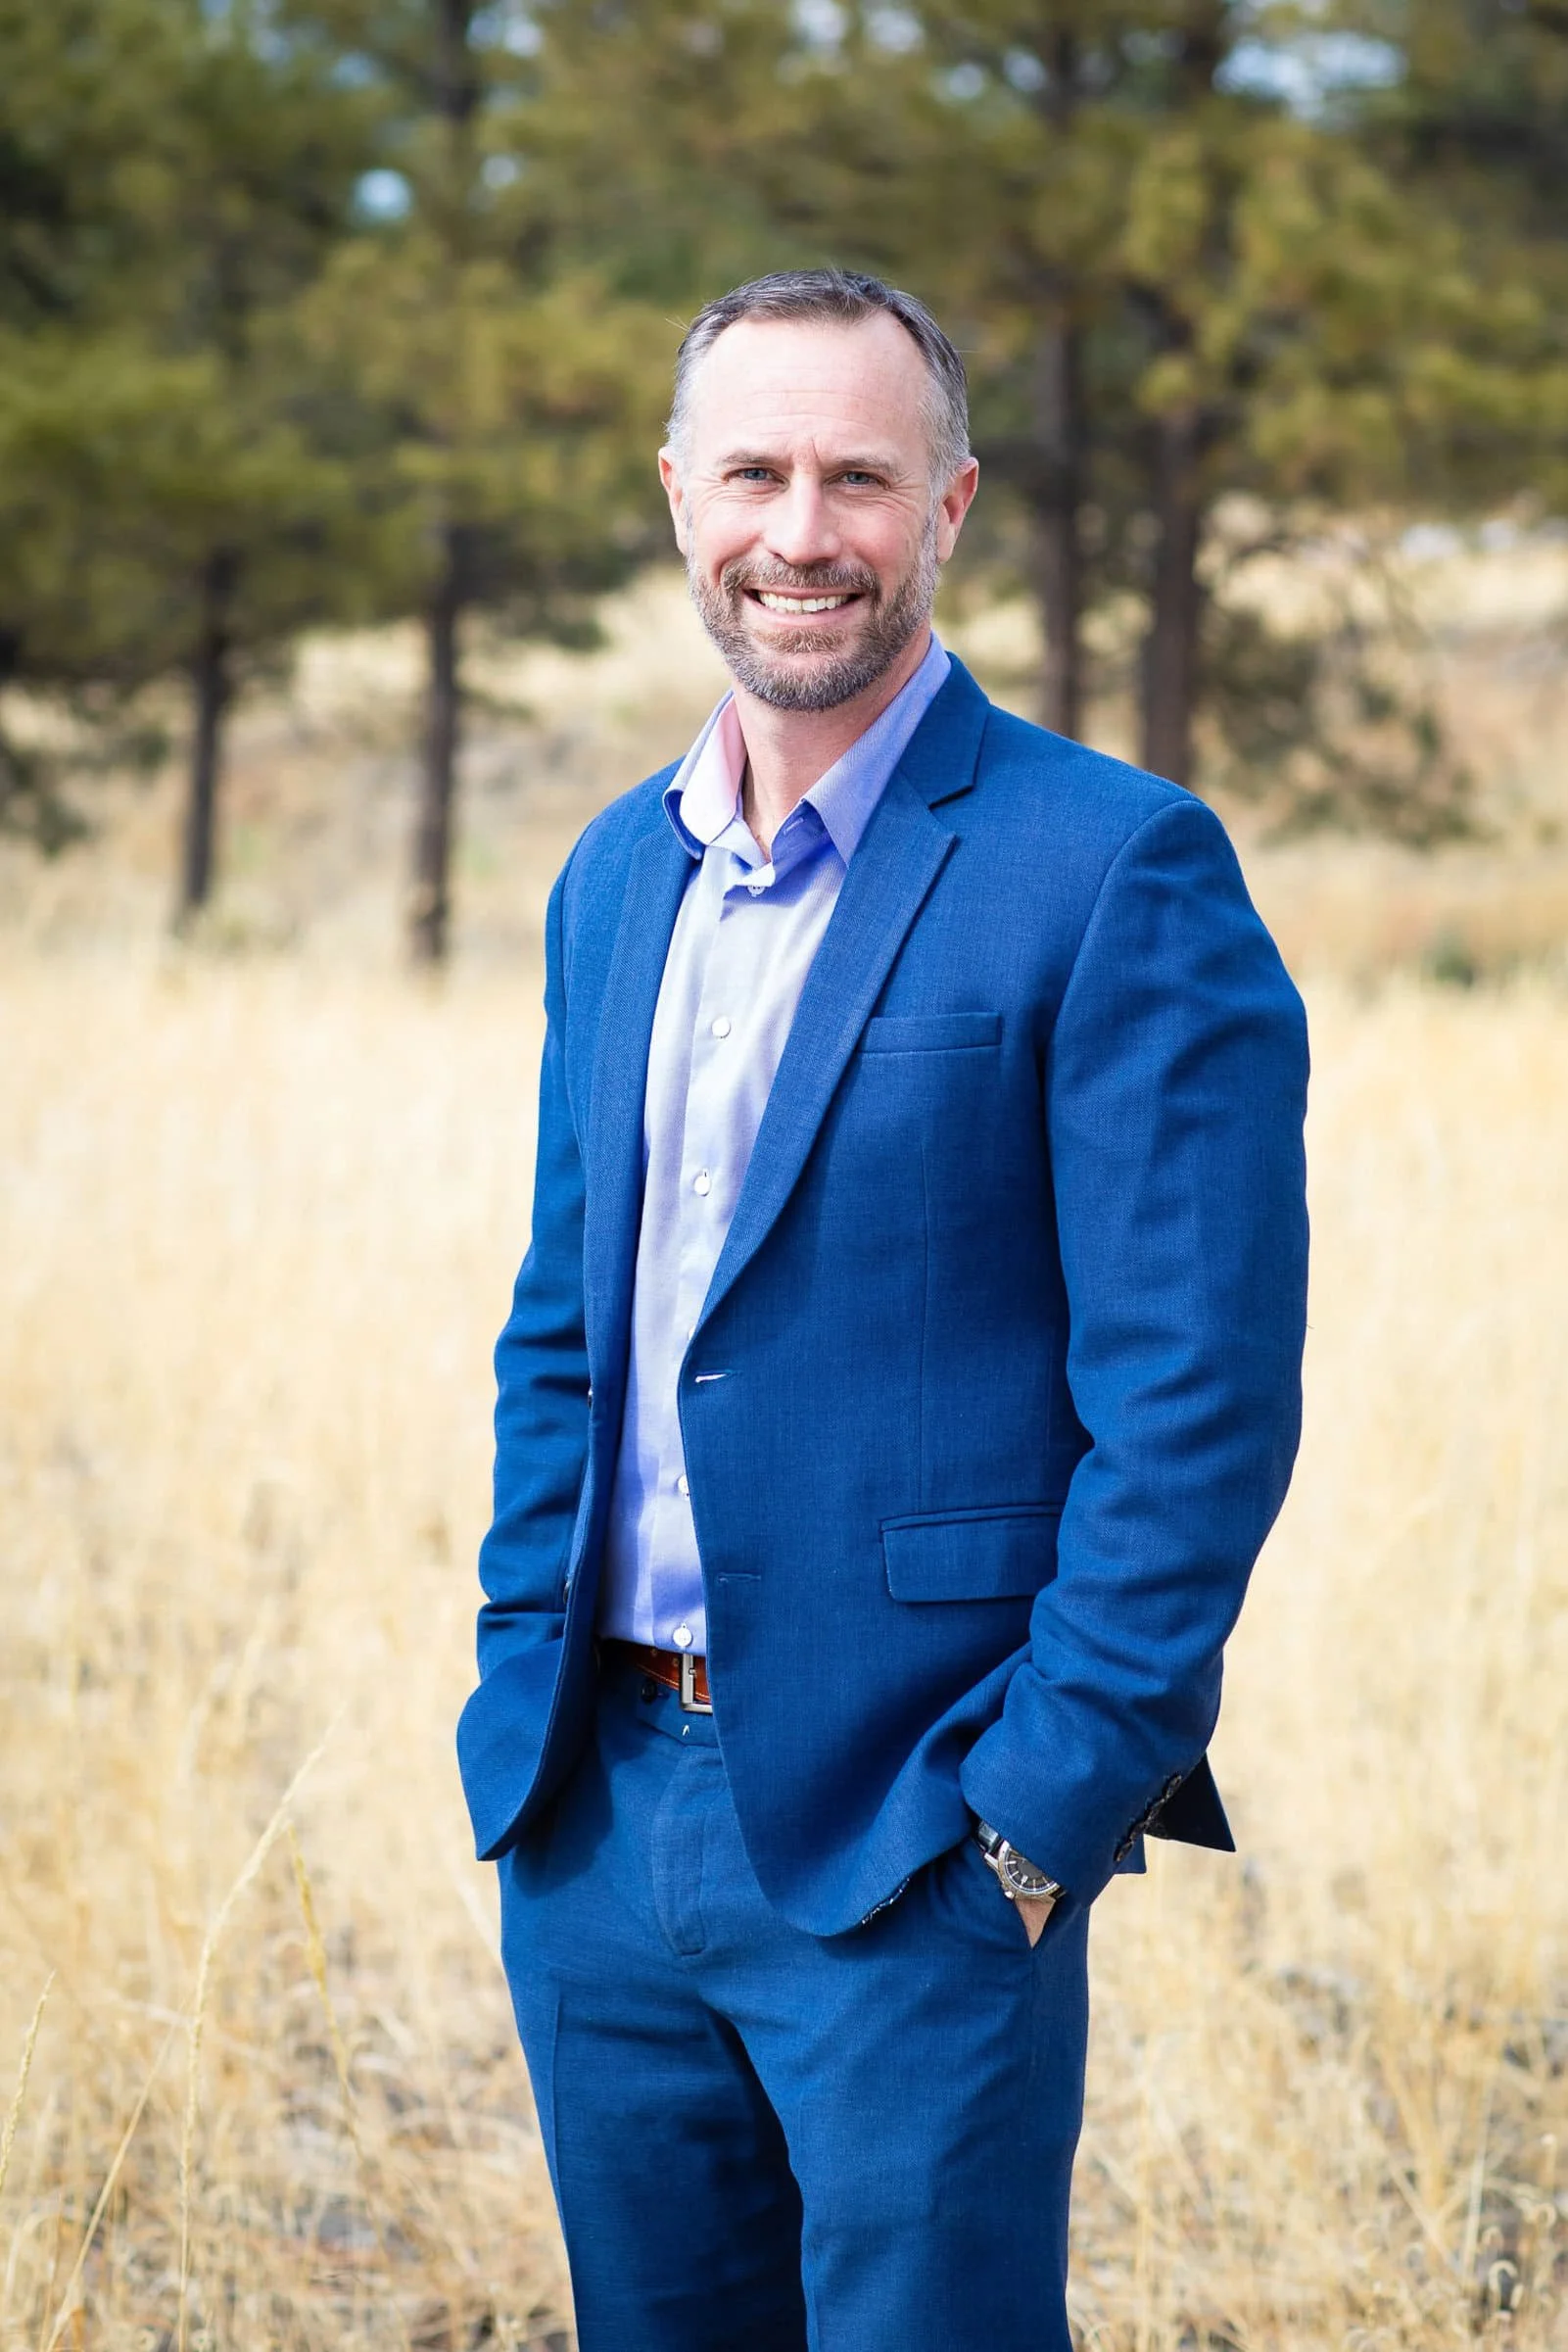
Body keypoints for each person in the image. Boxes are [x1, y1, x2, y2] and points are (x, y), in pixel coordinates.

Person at [457, 268, 1309, 2352]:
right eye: (753, 472)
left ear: (950, 507)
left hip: (919, 1837)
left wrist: (1033, 1816)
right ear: (678, 495)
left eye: (859, 476)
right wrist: (513, 1690)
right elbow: (568, 1326)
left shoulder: (1113, 866)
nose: (801, 530)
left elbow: (1193, 1406)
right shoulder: (613, 876)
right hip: (593, 1824)